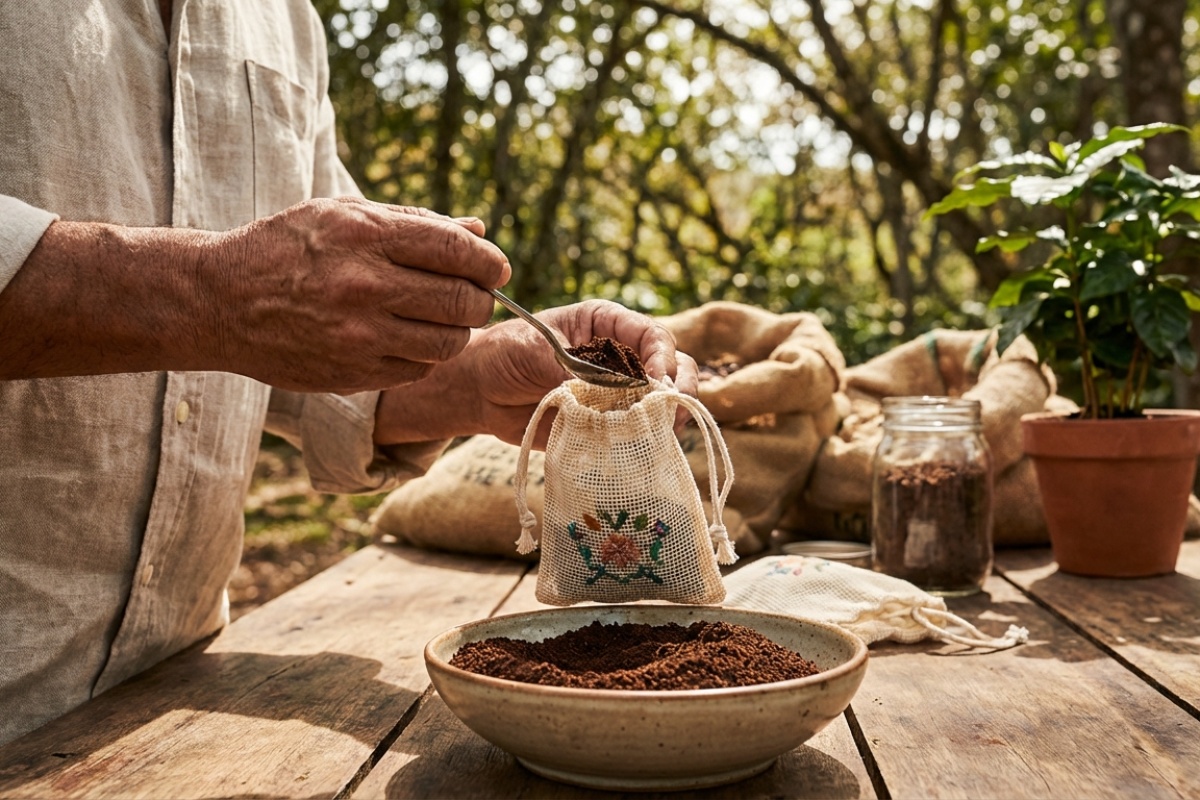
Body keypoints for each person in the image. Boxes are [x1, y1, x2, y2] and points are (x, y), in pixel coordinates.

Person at [0, 1, 697, 745]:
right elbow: (246, 305)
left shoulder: (282, 19)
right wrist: (213, 291)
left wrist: (476, 375)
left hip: (181, 696)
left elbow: (310, 345)